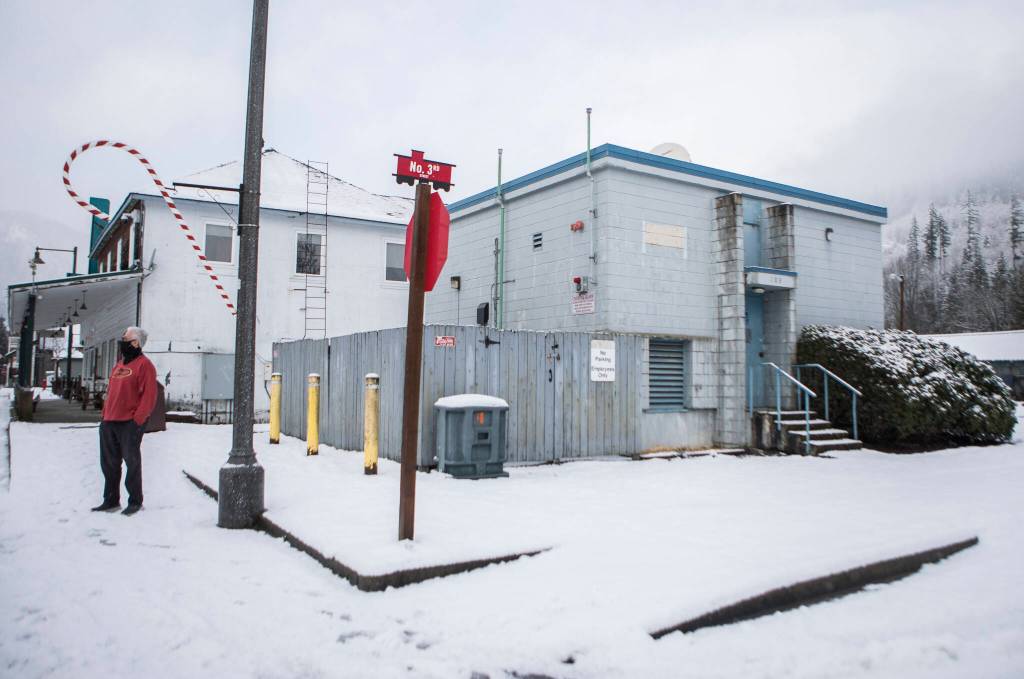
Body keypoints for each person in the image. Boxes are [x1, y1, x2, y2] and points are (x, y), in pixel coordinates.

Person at [91, 326, 157, 516]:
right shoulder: (119, 365)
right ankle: (111, 500)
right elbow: (112, 391)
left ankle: (135, 501)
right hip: (109, 421)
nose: (122, 342)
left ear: (135, 343)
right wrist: (104, 415)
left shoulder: (145, 365)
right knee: (109, 463)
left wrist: (137, 420)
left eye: (125, 339)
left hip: (129, 422)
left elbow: (149, 396)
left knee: (131, 462)